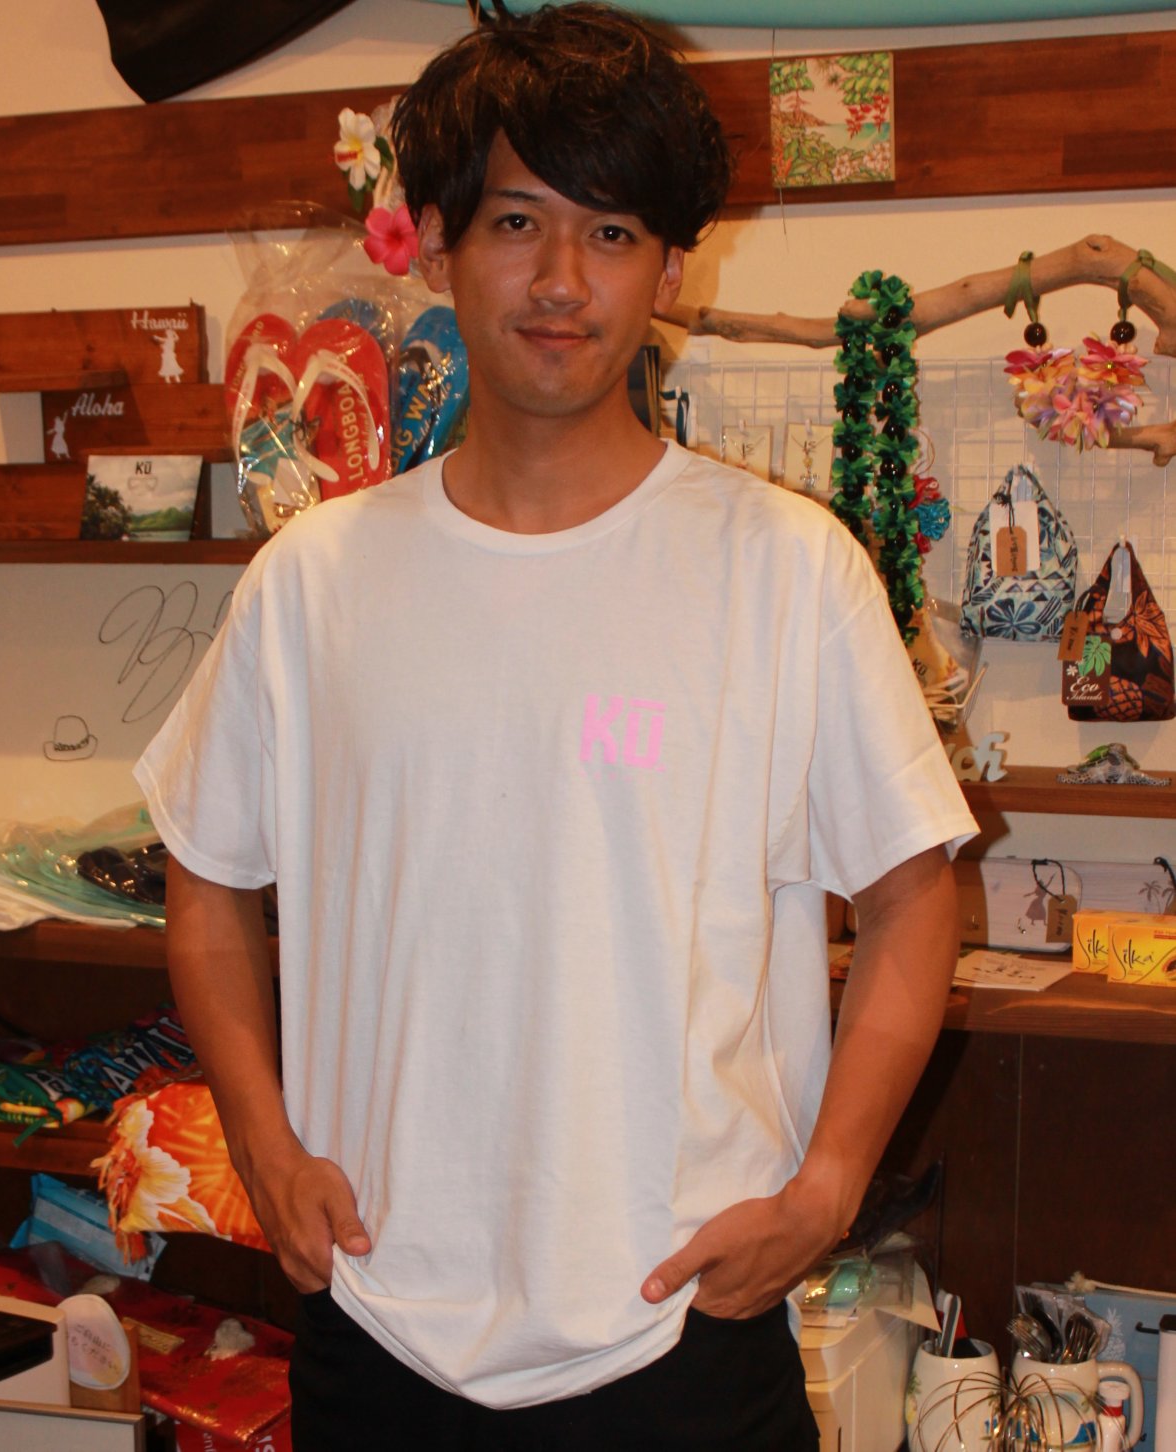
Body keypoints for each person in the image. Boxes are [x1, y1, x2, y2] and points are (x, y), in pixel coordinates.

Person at [134, 5, 977, 1447]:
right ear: (438, 242)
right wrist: (263, 1147)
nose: (562, 281)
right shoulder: (312, 586)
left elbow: (914, 898)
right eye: (519, 221)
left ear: (669, 267)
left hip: (684, 1330)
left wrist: (831, 1185)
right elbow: (205, 880)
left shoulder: (787, 572)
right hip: (382, 1320)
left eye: (614, 233)